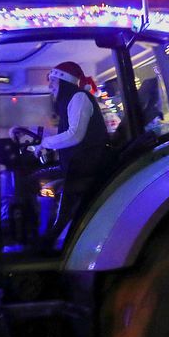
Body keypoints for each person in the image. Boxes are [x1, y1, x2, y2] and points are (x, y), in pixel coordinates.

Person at [27, 61, 108, 247]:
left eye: (53, 82)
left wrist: (45, 143)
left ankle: (48, 240)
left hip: (85, 166)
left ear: (64, 82)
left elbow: (75, 135)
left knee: (35, 184)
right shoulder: (71, 101)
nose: (50, 87)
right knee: (32, 180)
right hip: (75, 163)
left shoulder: (79, 98)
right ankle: (40, 233)